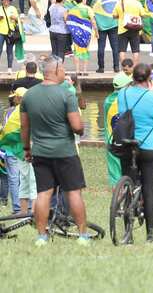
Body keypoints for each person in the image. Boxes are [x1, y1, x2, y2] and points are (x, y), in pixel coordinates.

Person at [18, 56, 92, 243]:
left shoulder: (29, 95)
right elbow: (77, 127)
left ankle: (41, 237)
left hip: (40, 151)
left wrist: (27, 148)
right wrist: (81, 128)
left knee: (44, 193)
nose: (65, 73)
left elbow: (24, 127)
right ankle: (83, 235)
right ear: (57, 70)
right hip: (65, 151)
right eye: (64, 70)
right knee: (73, 192)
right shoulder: (66, 94)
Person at [111, 61, 153, 243]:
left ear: (133, 77)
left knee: (128, 183)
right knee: (149, 188)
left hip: (128, 144)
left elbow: (122, 114)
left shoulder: (123, 93)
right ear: (149, 78)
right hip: (149, 147)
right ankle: (152, 235)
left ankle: (128, 236)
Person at [1, 86, 35, 214]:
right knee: (28, 178)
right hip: (24, 149)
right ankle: (30, 207)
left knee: (14, 179)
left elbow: (4, 129)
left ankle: (17, 208)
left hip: (10, 150)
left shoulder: (7, 112)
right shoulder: (29, 111)